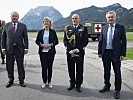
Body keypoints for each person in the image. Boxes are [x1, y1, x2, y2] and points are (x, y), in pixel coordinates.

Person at [98, 11, 127, 99]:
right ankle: (107, 86)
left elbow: (124, 42)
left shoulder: (120, 28)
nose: (110, 19)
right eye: (109, 17)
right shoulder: (104, 28)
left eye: (112, 17)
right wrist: (100, 52)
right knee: (106, 71)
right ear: (106, 19)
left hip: (116, 54)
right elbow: (101, 41)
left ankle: (117, 90)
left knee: (117, 72)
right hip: (105, 53)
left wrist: (123, 54)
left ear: (115, 18)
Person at [1, 11, 29, 88]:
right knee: (9, 65)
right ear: (11, 17)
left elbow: (25, 38)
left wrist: (26, 48)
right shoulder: (6, 26)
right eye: (13, 16)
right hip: (9, 49)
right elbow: (3, 38)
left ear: (18, 17)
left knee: (20, 65)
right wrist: (3, 48)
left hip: (19, 49)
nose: (14, 17)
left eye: (16, 16)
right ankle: (10, 79)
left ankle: (21, 80)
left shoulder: (23, 26)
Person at [63, 14, 88, 92]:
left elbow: (85, 41)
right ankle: (72, 83)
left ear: (79, 19)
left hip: (79, 52)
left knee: (79, 69)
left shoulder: (83, 28)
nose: (74, 20)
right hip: (70, 52)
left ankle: (78, 85)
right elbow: (65, 41)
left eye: (76, 18)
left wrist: (77, 50)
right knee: (71, 68)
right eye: (73, 18)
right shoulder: (68, 28)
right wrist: (70, 50)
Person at [35, 17, 59, 89]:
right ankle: (44, 82)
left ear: (50, 23)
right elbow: (37, 41)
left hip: (50, 52)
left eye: (48, 22)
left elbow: (56, 41)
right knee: (44, 67)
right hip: (42, 52)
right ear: (43, 23)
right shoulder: (40, 32)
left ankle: (49, 82)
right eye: (45, 22)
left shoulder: (53, 32)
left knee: (50, 67)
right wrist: (41, 45)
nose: (46, 23)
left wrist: (50, 44)